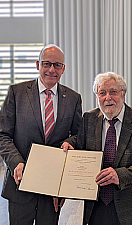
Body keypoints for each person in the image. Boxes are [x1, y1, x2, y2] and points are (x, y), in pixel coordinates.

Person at [62, 72, 132, 225]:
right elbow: (81, 145)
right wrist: (70, 144)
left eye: (113, 92)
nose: (108, 98)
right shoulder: (88, 119)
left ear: (123, 94)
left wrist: (119, 175)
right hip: (97, 204)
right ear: (97, 97)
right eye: (102, 93)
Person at [0, 44, 82, 224]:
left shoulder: (74, 98)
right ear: (38, 65)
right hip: (20, 183)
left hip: (51, 188)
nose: (51, 69)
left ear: (63, 69)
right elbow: (3, 135)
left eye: (57, 65)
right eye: (47, 64)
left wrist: (70, 142)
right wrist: (16, 162)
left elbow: (78, 135)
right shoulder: (17, 93)